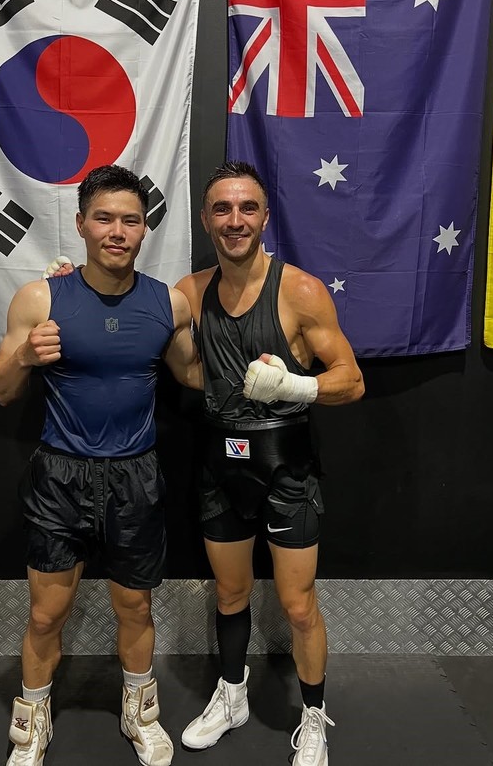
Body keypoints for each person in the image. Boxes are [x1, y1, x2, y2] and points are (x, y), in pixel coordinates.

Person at [45, 160, 364, 766]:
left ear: (265, 217)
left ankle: (315, 717)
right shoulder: (189, 293)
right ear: (205, 219)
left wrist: (296, 389)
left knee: (298, 605)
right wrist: (69, 285)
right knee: (228, 592)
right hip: (221, 464)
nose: (235, 220)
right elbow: (132, 315)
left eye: (247, 208)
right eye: (222, 209)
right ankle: (232, 694)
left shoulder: (299, 290)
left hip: (285, 466)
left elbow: (351, 381)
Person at [0, 164, 203, 766]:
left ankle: (142, 716)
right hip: (61, 474)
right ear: (81, 224)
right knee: (46, 611)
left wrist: (265, 367)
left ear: (144, 230)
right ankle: (31, 727)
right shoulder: (41, 297)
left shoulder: (171, 304)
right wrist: (26, 356)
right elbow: (1, 389)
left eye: (129, 220)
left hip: (135, 475)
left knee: (135, 606)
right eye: (104, 218)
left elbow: (193, 374)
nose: (117, 231)